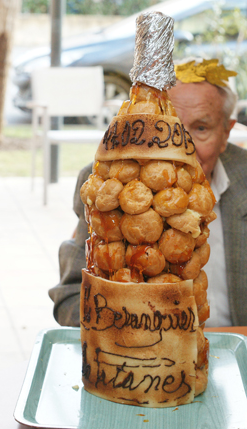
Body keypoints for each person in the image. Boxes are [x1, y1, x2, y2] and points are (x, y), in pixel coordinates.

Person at [48, 58, 247, 328]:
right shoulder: (107, 185)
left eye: (200, 128)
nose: (181, 148)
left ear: (226, 133)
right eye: (166, 128)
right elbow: (70, 300)